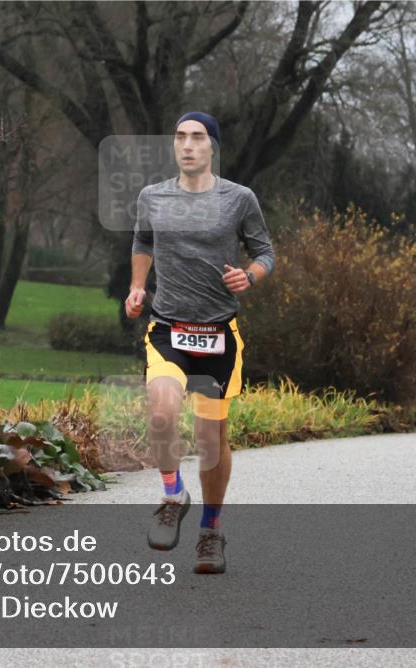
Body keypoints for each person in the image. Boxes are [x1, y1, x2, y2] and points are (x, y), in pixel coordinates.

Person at [124, 111, 275, 574]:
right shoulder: (153, 196)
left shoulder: (239, 199)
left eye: (198, 137)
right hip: (168, 328)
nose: (188, 145)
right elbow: (143, 242)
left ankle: (210, 532)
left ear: (212, 147)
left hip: (218, 335)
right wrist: (136, 288)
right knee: (161, 412)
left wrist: (249, 276)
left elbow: (265, 251)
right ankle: (174, 496)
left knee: (212, 440)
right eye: (180, 137)